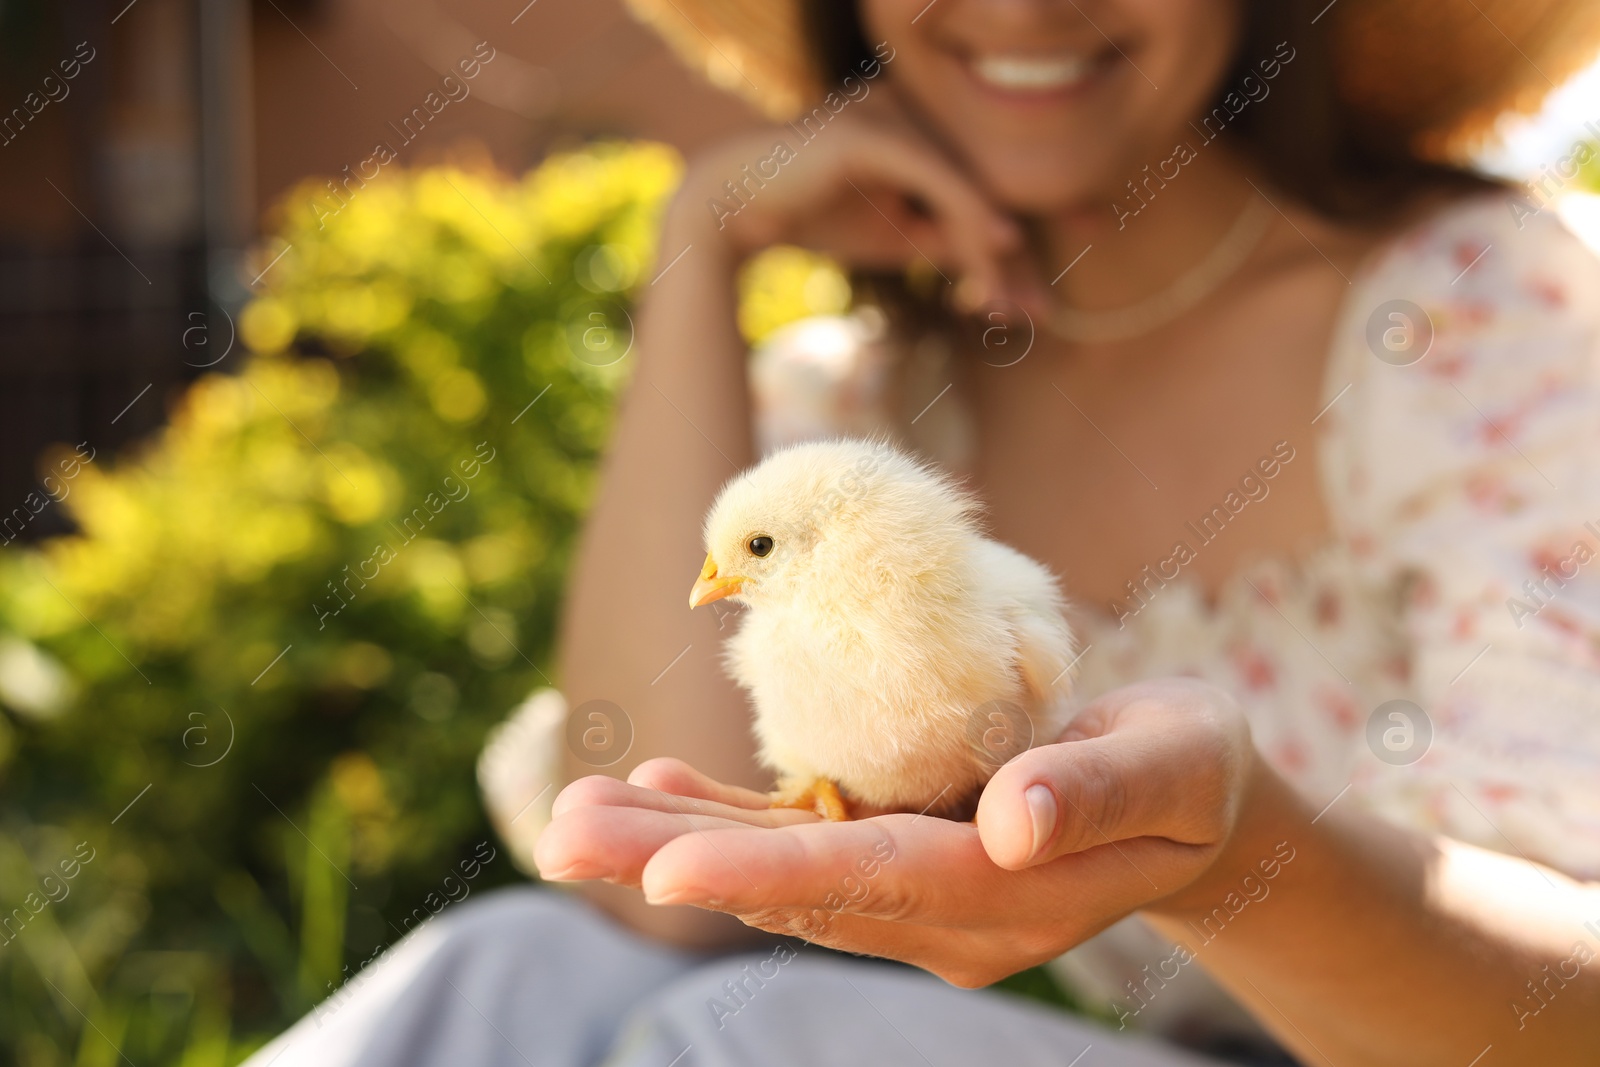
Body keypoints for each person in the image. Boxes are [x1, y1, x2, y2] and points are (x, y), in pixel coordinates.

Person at [249, 2, 1600, 1065]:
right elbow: (657, 880)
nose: (1020, 2)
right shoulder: (864, 413)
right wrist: (701, 244)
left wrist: (1237, 853)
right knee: (516, 972)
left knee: (742, 1043)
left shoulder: (1485, 321)